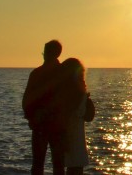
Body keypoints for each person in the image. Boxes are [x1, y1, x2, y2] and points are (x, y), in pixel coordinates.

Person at [22, 40, 67, 175]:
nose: (44, 54)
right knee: (55, 164)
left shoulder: (38, 74)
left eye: (46, 51)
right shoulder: (62, 73)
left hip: (46, 124)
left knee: (42, 164)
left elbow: (27, 101)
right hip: (52, 124)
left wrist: (31, 117)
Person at [60, 57, 92, 175]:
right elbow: (89, 116)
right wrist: (85, 96)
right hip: (73, 139)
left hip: (63, 138)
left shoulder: (61, 95)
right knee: (76, 168)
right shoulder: (79, 98)